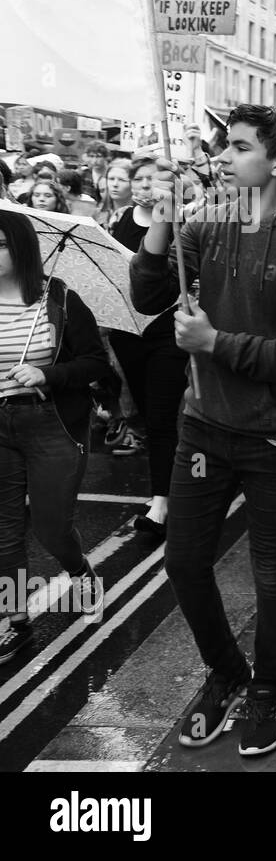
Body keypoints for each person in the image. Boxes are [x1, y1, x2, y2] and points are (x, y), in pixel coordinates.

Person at [130, 104, 276, 757]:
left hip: (274, 438)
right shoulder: (206, 224)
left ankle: (267, 689)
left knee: (271, 573)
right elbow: (146, 295)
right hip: (202, 429)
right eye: (223, 147)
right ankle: (227, 674)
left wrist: (215, 341)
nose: (221, 156)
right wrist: (162, 224)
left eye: (238, 148)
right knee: (183, 561)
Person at [0, 209, 110, 665]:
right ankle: (15, 618)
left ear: (20, 248)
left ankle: (81, 573)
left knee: (49, 525)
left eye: (0, 244)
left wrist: (46, 373)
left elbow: (95, 364)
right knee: (3, 531)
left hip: (53, 426)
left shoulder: (59, 299)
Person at [105, 156, 190, 544]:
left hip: (165, 332)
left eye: (149, 180)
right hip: (127, 332)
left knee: (160, 416)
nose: (142, 186)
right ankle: (168, 484)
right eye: (136, 179)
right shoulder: (117, 221)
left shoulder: (178, 221)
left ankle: (161, 501)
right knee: (142, 412)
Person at [96, 158, 134, 229]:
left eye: (122, 180)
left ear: (133, 183)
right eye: (111, 179)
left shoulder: (140, 216)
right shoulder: (96, 214)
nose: (115, 184)